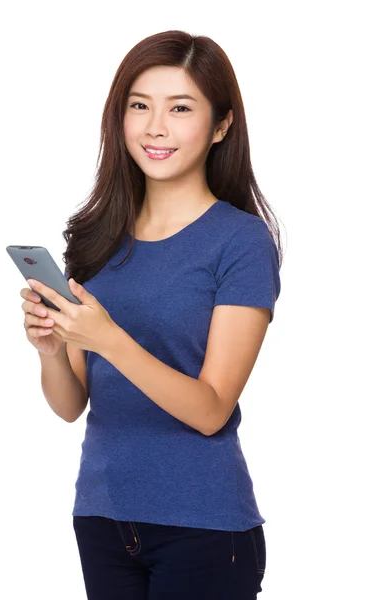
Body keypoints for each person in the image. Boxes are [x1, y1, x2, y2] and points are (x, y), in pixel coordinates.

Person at [20, 29, 282, 600]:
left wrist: (109, 339)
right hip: (102, 515)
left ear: (220, 125)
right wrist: (50, 353)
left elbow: (212, 410)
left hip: (204, 524)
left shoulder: (240, 242)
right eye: (139, 106)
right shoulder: (97, 239)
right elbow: (71, 406)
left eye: (180, 108)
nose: (155, 127)